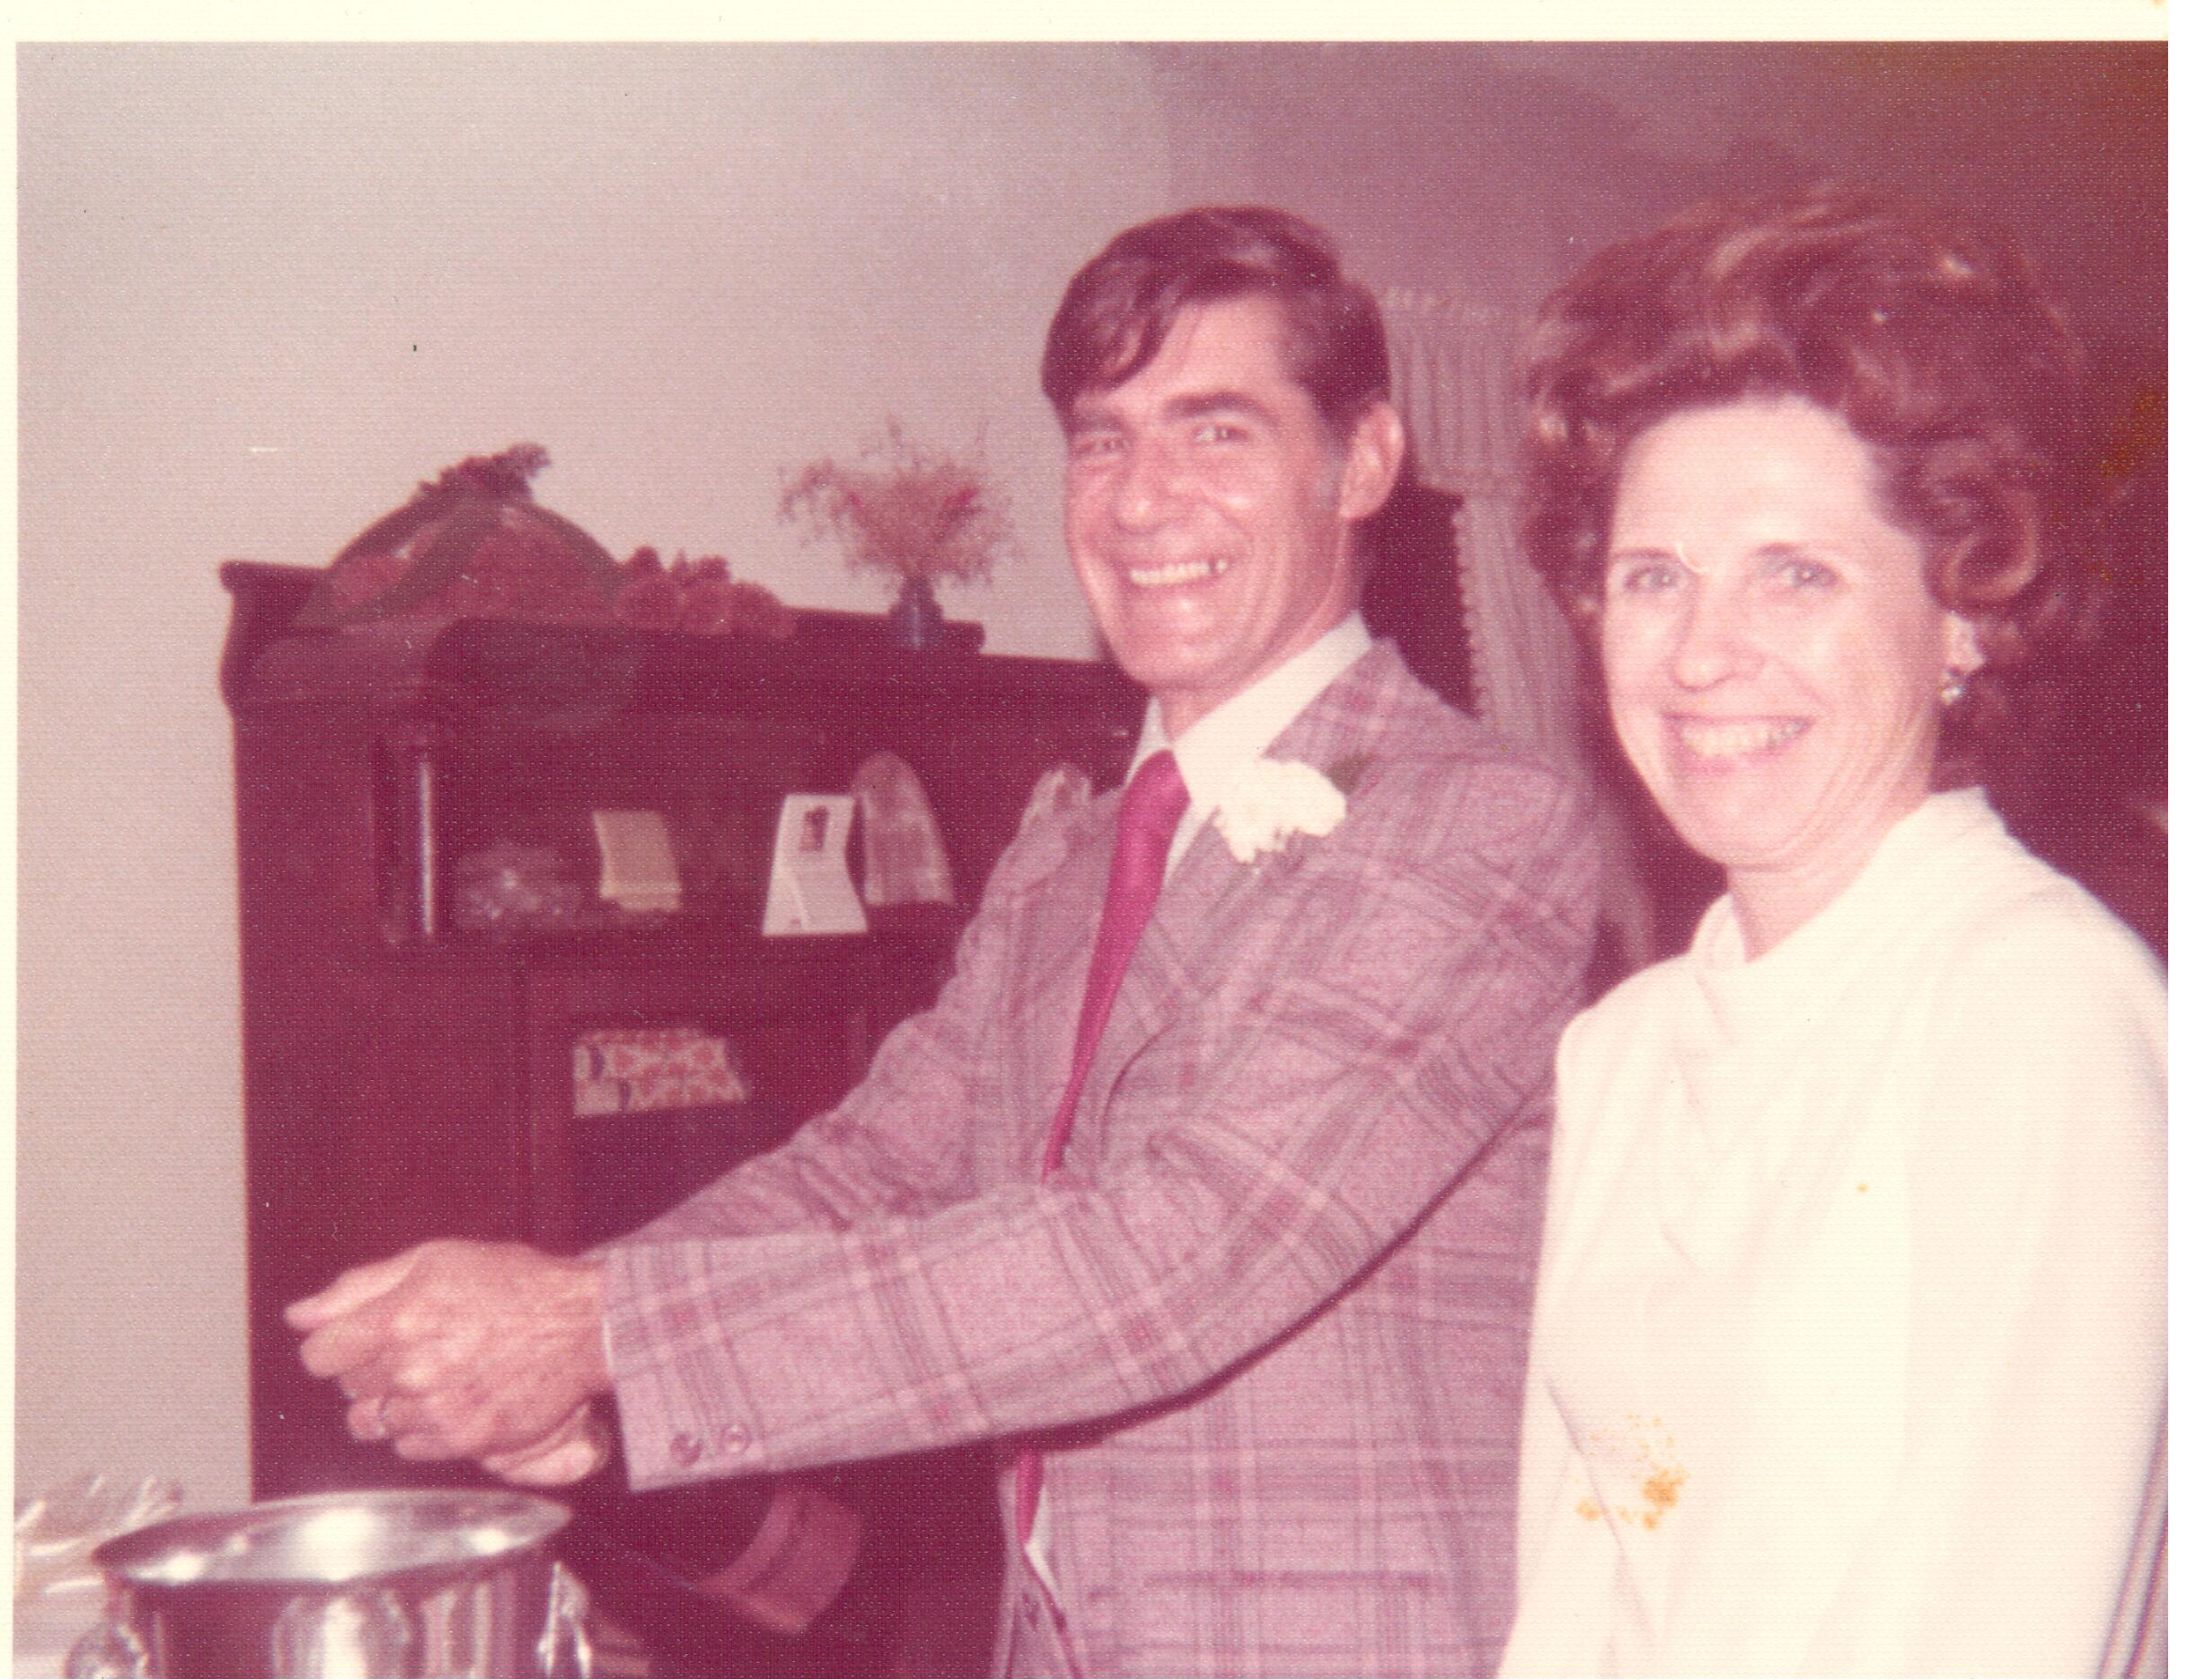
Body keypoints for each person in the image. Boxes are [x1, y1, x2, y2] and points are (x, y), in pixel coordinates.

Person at [289, 206, 1601, 1678]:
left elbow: (1180, 1254)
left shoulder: (1475, 819)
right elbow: (872, 1171)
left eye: (1215, 432)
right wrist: (557, 1355)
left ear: (1360, 463)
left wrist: (594, 1330)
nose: (1142, 501)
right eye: (1101, 442)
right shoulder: (1062, 859)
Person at [1498, 183, 2166, 1677]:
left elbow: (2007, 1629)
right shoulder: (1623, 1049)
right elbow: (1580, 1585)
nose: (1700, 653)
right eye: (1652, 578)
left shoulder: (2038, 1007)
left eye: (1793, 574)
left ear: (1964, 616)